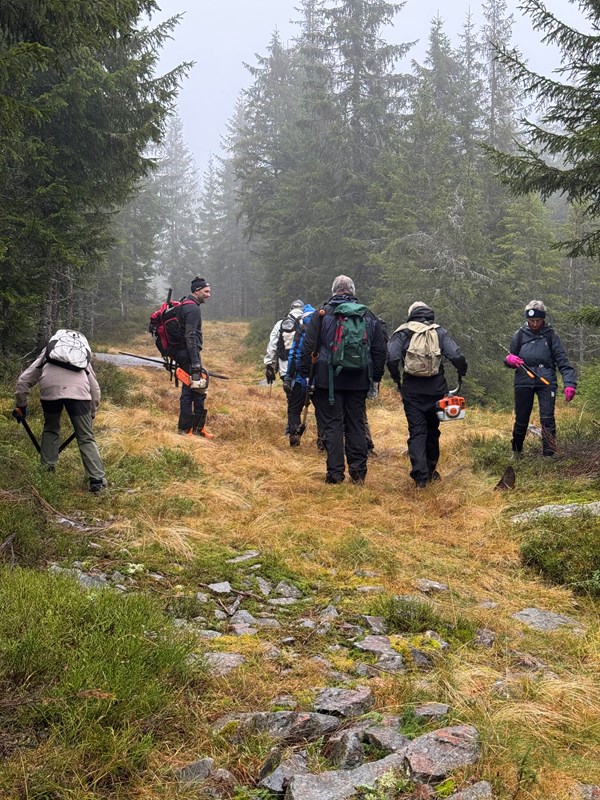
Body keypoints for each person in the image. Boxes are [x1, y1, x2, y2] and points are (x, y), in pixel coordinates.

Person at [299, 275, 386, 484]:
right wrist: (375, 378)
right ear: (353, 291)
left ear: (333, 290)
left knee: (332, 426)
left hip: (326, 381)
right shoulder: (368, 315)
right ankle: (358, 474)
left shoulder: (322, 314)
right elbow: (379, 349)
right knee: (356, 424)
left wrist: (305, 375)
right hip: (358, 380)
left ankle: (335, 474)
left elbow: (309, 346)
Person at [13, 329, 106, 493]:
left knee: (51, 429)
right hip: (79, 393)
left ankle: (47, 469)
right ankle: (97, 481)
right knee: (85, 437)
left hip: (50, 389)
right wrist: (92, 411)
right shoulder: (82, 356)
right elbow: (95, 388)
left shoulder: (49, 352)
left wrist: (22, 405)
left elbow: (24, 381)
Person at [387, 301, 467, 489]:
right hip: (436, 390)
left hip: (412, 390)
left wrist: (397, 379)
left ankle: (420, 477)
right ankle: (431, 470)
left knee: (417, 432)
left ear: (411, 314)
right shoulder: (439, 332)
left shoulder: (403, 332)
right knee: (433, 431)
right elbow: (457, 356)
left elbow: (391, 357)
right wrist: (461, 372)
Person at [505, 300, 576, 457]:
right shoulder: (519, 335)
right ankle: (516, 452)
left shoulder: (551, 336)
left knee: (547, 418)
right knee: (521, 418)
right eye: (531, 321)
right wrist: (509, 360)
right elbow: (510, 358)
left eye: (538, 321)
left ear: (543, 319)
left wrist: (569, 384)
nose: (535, 324)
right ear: (527, 319)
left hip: (546, 382)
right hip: (523, 381)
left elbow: (563, 362)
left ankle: (549, 455)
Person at [173, 276, 213, 438]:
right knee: (191, 391)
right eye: (206, 291)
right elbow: (190, 336)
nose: (209, 295)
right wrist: (195, 362)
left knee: (197, 390)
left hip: (184, 354)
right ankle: (187, 430)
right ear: (197, 291)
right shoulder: (193, 309)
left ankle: (196, 429)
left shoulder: (186, 304)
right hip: (189, 355)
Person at [283, 303, 315, 446]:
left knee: (294, 409)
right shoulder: (326, 326)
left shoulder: (301, 327)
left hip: (300, 378)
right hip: (321, 378)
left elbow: (294, 353)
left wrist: (289, 377)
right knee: (323, 412)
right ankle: (323, 442)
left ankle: (294, 437)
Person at [264, 300, 305, 386]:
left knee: (290, 396)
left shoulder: (280, 323)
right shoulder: (308, 321)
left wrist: (270, 366)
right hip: (303, 368)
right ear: (303, 309)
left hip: (285, 368)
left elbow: (272, 345)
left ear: (291, 309)